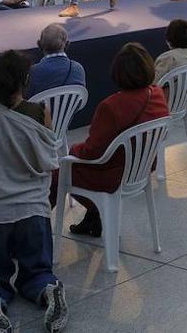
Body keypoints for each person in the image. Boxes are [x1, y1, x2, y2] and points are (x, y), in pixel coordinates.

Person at [0, 51, 67, 333]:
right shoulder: (40, 112)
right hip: (33, 210)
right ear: (25, 81)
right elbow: (50, 159)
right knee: (38, 271)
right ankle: (48, 289)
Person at [56, 43, 168, 238]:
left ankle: (28, 235)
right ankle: (93, 216)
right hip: (142, 167)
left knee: (57, 175)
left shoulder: (112, 106)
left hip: (113, 173)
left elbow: (92, 151)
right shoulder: (158, 94)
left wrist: (73, 150)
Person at [27, 23, 86, 97]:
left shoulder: (33, 72)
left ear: (39, 44)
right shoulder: (78, 69)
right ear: (67, 44)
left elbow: (27, 98)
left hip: (39, 108)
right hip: (70, 108)